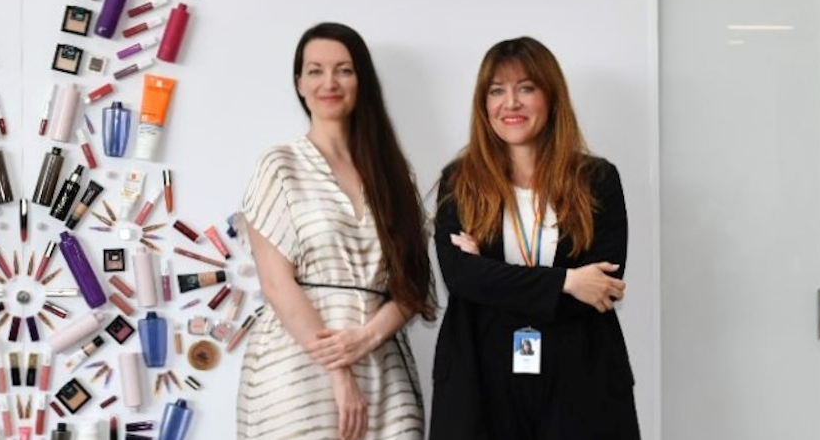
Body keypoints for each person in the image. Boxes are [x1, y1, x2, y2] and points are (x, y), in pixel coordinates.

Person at [429, 36, 639, 439]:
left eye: (525, 89)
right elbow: (460, 277)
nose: (510, 103)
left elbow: (603, 287)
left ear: (551, 97)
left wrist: (489, 274)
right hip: (482, 379)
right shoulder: (460, 181)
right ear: (483, 104)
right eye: (497, 91)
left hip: (579, 378)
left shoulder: (597, 180)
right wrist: (567, 281)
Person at [236, 23, 436, 440]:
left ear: (362, 80)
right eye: (315, 70)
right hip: (296, 369)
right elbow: (276, 284)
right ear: (299, 83)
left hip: (383, 364)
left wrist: (366, 338)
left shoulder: (393, 173)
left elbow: (413, 283)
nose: (329, 82)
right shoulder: (280, 165)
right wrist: (340, 373)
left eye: (343, 70)